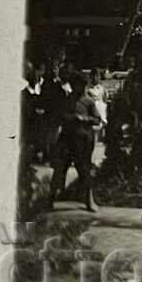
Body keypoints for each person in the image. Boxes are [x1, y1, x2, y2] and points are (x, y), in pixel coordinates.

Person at [48, 71, 99, 213]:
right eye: (78, 85)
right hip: (66, 140)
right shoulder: (66, 100)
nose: (81, 88)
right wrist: (70, 117)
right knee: (59, 169)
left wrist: (85, 119)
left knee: (85, 171)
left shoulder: (89, 101)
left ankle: (89, 201)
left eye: (83, 85)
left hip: (83, 141)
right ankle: (50, 199)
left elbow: (97, 119)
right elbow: (58, 116)